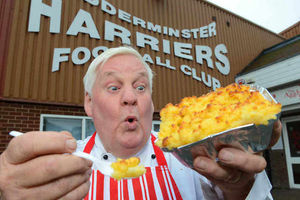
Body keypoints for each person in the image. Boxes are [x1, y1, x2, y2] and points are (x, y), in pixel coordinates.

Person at [0, 46, 282, 200]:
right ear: (89, 103)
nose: (129, 98)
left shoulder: (191, 158)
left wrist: (239, 190)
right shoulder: (60, 169)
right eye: (113, 87)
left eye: (140, 87)